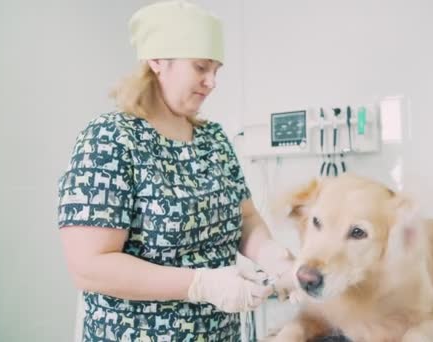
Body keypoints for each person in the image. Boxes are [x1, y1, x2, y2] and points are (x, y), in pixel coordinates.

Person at [57, 1, 295, 340]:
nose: (211, 82)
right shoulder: (110, 139)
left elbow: (246, 218)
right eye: (201, 67)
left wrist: (273, 256)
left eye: (216, 70)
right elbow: (90, 267)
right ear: (157, 61)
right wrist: (200, 284)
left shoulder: (212, 138)